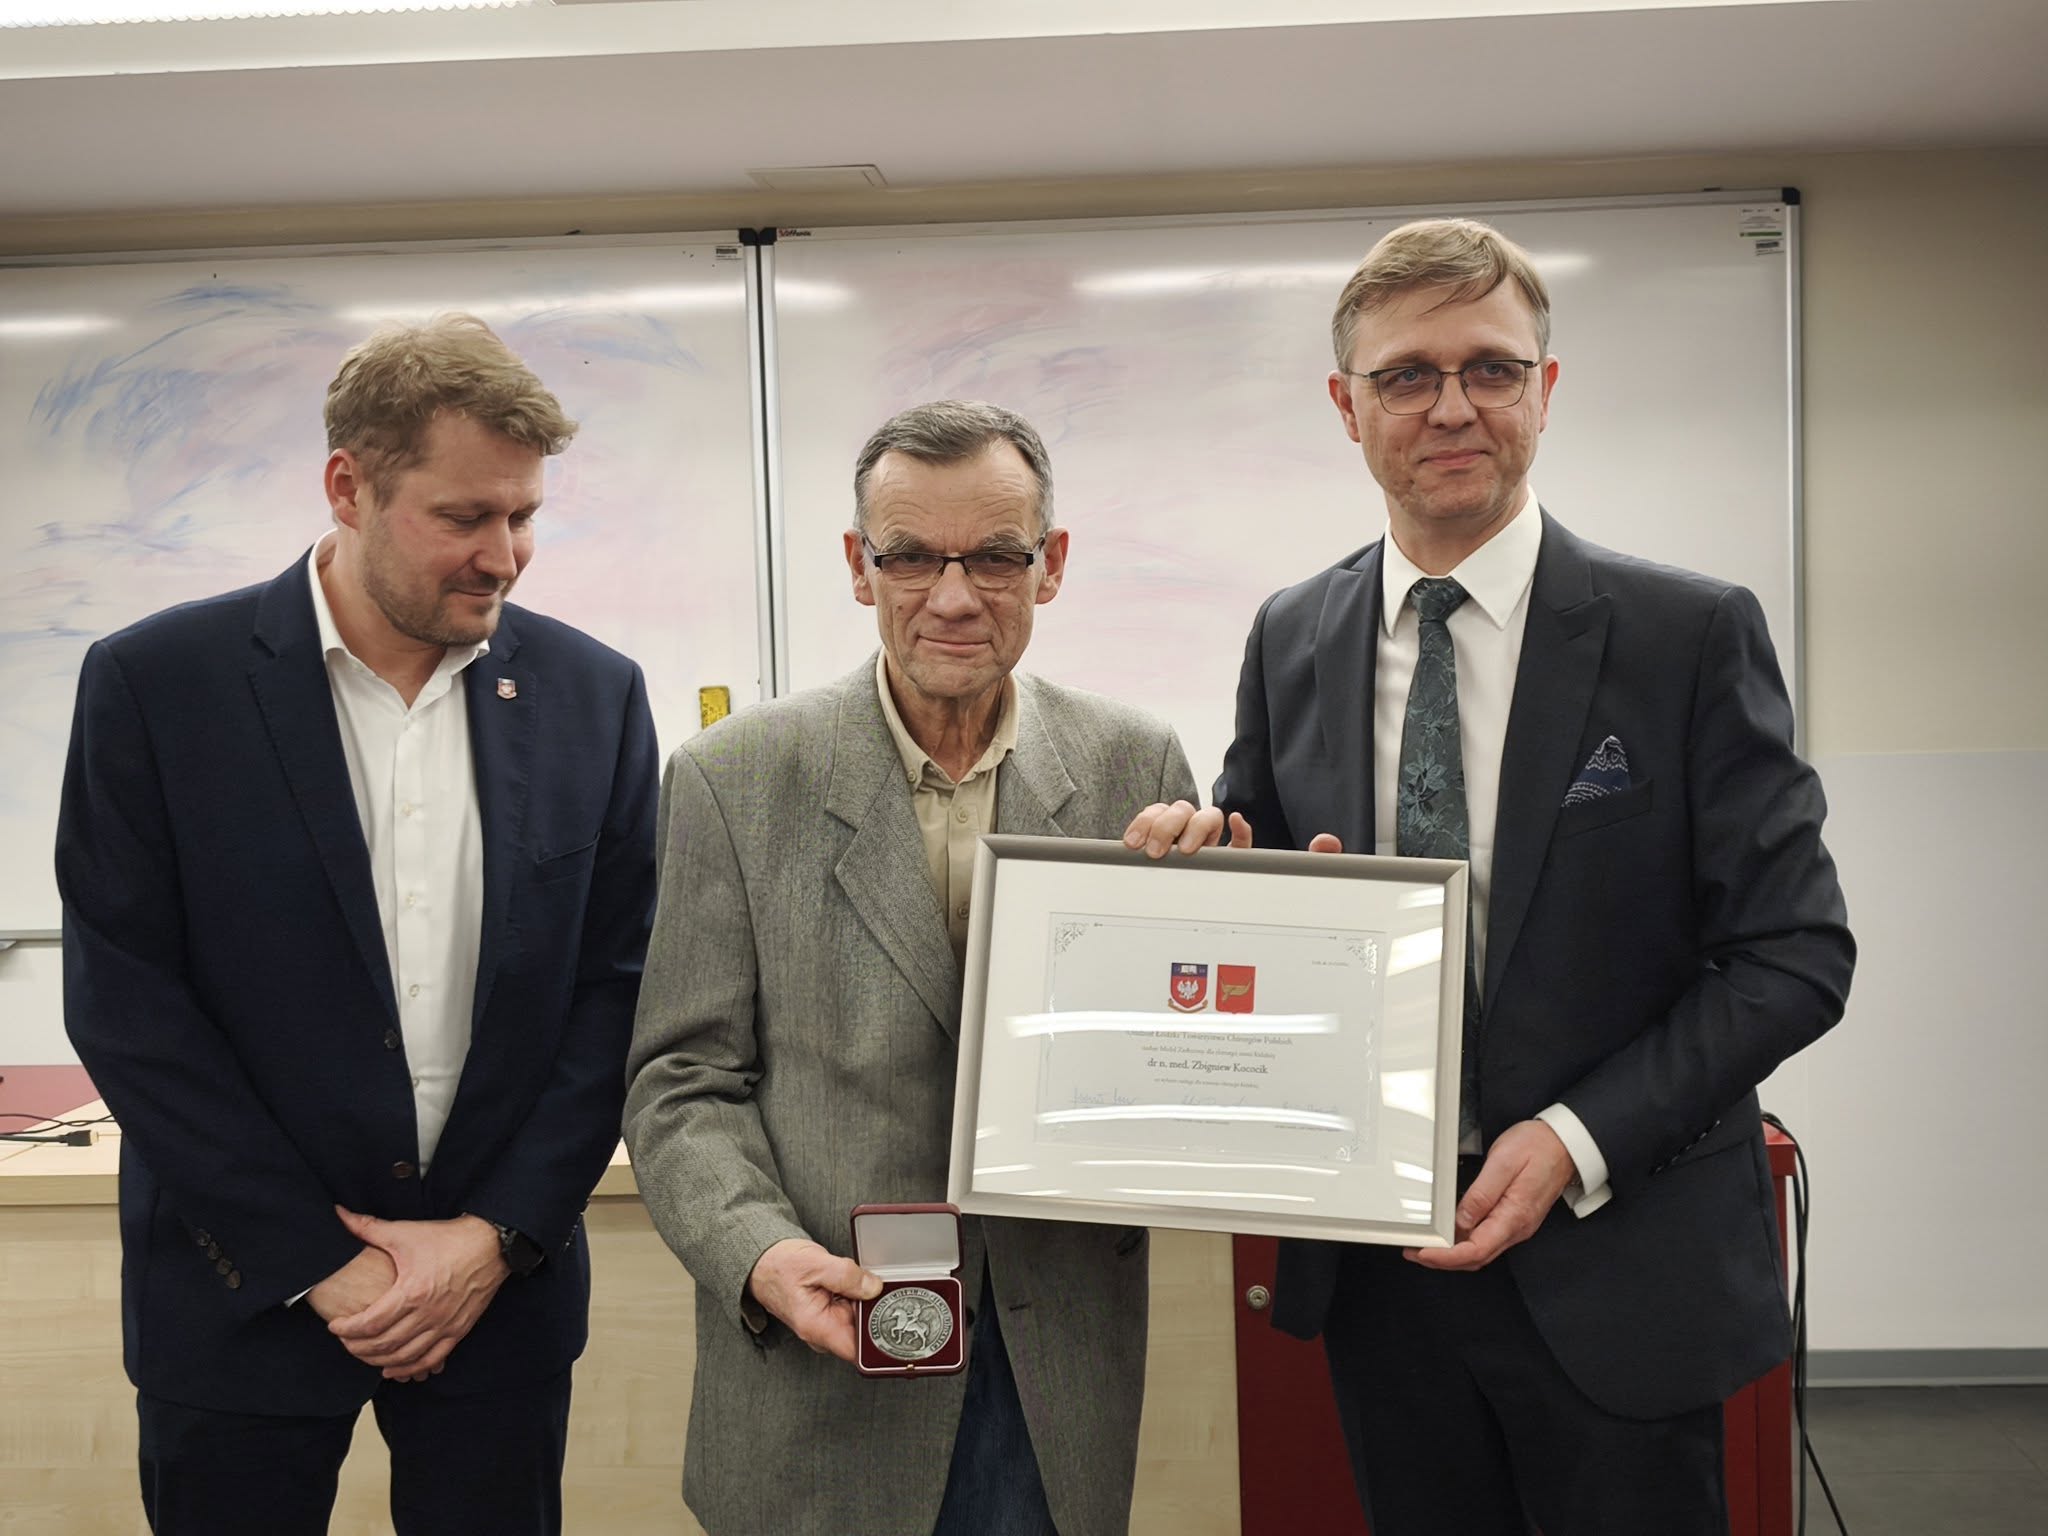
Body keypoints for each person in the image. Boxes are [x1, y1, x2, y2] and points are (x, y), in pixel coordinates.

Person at [1125, 218, 1855, 1534]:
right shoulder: (1292, 637)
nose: (1451, 406)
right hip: (1383, 1273)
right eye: (1407, 375)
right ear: (1347, 406)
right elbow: (1267, 893)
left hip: (1621, 1261)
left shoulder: (1686, 634)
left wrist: (1571, 1140)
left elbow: (1794, 955)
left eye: (1491, 369)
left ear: (1545, 389)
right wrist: (1200, 873)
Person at [56, 314, 660, 1536]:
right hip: (241, 1292)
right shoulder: (158, 686)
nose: (503, 556)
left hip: (499, 1301)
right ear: (348, 488)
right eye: (463, 517)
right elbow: (128, 1005)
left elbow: (619, 988)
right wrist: (321, 1263)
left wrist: (493, 1238)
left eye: (523, 516)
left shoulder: (592, 696)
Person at [624, 400, 1196, 1536]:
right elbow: (679, 1084)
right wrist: (759, 1254)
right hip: (822, 1356)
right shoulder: (732, 779)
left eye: (995, 557)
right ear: (858, 565)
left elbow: (1167, 1062)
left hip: (1052, 1370)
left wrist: (1240, 949)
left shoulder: (1138, 767)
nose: (953, 596)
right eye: (911, 557)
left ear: (1051, 564)